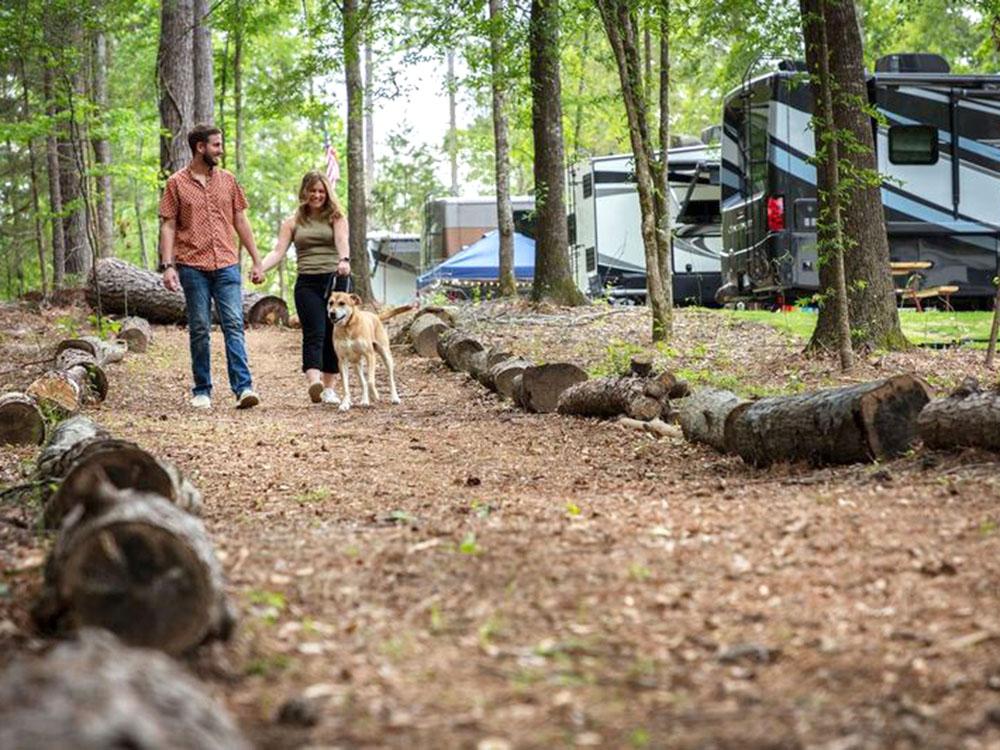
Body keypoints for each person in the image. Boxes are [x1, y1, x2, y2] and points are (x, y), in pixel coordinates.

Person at [159, 124, 263, 410]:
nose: (221, 149)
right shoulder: (176, 183)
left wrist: (256, 260)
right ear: (200, 147)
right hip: (192, 266)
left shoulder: (228, 181)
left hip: (227, 264)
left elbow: (241, 221)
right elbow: (168, 226)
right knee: (200, 328)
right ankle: (202, 389)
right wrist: (168, 266)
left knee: (233, 325)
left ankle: (243, 388)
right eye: (216, 145)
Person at [256, 171, 351, 404]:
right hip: (307, 282)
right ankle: (314, 383)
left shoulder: (336, 217)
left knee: (332, 333)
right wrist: (260, 268)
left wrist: (344, 260)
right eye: (313, 191)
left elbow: (342, 241)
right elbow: (278, 251)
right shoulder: (293, 221)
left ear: (327, 193)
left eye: (321, 191)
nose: (317, 195)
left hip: (334, 280)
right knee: (314, 332)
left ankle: (330, 388)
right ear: (305, 192)